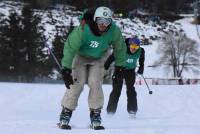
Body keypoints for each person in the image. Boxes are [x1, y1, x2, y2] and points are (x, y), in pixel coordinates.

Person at [59, 7, 127, 129]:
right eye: (100, 20)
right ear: (95, 19)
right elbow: (70, 48)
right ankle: (66, 111)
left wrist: (120, 67)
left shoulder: (114, 31)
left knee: (95, 82)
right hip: (80, 56)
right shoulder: (84, 29)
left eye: (107, 22)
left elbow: (120, 48)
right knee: (77, 83)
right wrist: (66, 68)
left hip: (99, 57)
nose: (103, 25)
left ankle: (95, 113)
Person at [104, 37, 145, 116]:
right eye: (132, 46)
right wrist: (107, 64)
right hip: (119, 69)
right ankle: (110, 111)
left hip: (130, 71)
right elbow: (112, 56)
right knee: (116, 90)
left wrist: (141, 69)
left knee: (131, 90)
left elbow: (141, 61)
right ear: (129, 45)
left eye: (136, 47)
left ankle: (132, 110)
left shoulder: (141, 51)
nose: (134, 48)